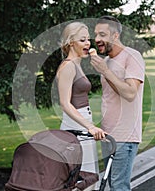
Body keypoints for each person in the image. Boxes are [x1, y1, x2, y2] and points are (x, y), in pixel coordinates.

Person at [90, 16, 145, 190]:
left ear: (115, 35)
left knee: (119, 186)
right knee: (112, 185)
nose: (97, 39)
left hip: (125, 136)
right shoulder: (106, 61)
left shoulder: (132, 57)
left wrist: (105, 71)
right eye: (96, 34)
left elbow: (129, 93)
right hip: (108, 135)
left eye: (102, 34)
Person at [56, 22, 105, 190]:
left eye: (88, 39)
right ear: (71, 43)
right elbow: (65, 103)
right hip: (75, 126)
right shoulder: (68, 66)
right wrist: (90, 126)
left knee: (88, 178)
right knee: (79, 179)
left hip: (83, 124)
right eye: (82, 40)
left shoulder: (77, 65)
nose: (88, 43)